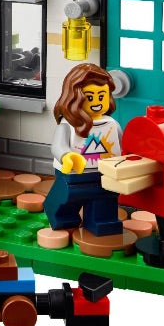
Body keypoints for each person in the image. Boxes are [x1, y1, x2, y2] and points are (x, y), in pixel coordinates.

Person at [44, 62, 123, 237]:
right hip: (74, 173)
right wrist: (66, 156)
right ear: (74, 98)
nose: (96, 102)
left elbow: (123, 145)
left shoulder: (111, 124)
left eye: (101, 96)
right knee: (68, 198)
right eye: (90, 97)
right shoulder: (69, 125)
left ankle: (101, 222)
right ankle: (62, 218)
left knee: (105, 197)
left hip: (106, 173)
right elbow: (58, 145)